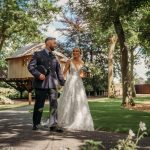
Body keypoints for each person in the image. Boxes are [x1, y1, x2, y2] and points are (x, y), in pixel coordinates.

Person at [28, 37, 65, 132]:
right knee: (39, 105)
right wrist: (38, 74)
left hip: (53, 84)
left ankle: (53, 125)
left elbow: (59, 71)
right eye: (54, 43)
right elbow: (31, 66)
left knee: (54, 105)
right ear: (48, 43)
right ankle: (36, 124)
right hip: (40, 84)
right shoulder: (38, 54)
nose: (55, 45)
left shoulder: (55, 57)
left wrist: (63, 82)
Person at [58, 48, 94, 131]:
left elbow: (82, 75)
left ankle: (79, 120)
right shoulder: (69, 61)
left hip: (79, 83)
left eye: (77, 51)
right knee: (68, 100)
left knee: (79, 100)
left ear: (80, 53)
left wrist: (87, 74)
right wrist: (61, 83)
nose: (75, 52)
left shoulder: (82, 63)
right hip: (70, 82)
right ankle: (66, 120)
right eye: (73, 51)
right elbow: (64, 72)